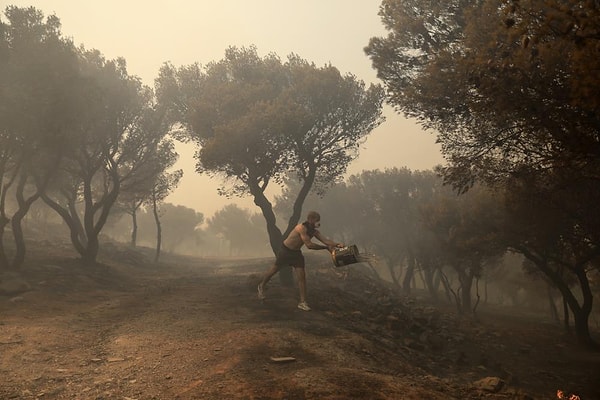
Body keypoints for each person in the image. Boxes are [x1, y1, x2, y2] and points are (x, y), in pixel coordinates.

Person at [257, 211, 343, 311]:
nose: (318, 223)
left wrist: (337, 244)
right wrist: (325, 248)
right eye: (317, 221)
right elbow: (309, 245)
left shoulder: (314, 231)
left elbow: (326, 240)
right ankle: (261, 286)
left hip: (296, 254)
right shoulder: (301, 228)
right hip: (286, 251)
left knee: (302, 277)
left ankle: (303, 302)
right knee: (273, 271)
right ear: (311, 219)